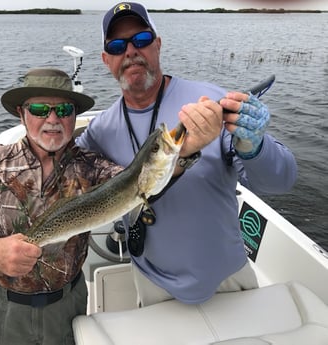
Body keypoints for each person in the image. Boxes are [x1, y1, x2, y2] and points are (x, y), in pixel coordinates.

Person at [76, 2, 297, 307]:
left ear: (157, 44)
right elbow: (62, 170)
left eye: (141, 40)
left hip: (227, 277)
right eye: (117, 46)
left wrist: (254, 146)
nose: (130, 52)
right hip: (149, 281)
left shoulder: (209, 103)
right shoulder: (99, 131)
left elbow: (281, 181)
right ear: (106, 59)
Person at [0, 68, 123, 345]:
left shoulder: (92, 166)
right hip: (3, 310)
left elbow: (140, 186)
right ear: (21, 113)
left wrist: (182, 155)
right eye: (39, 109)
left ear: (74, 115)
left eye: (64, 109)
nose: (53, 119)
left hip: (68, 305)